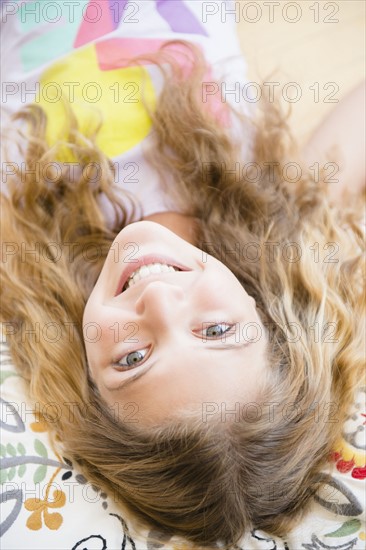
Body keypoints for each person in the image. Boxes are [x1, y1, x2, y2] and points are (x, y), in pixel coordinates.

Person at [1, 1, 365, 548]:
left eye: (133, 359)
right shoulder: (274, 215)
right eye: (215, 331)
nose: (159, 302)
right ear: (268, 317)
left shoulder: (25, 246)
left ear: (89, 383)